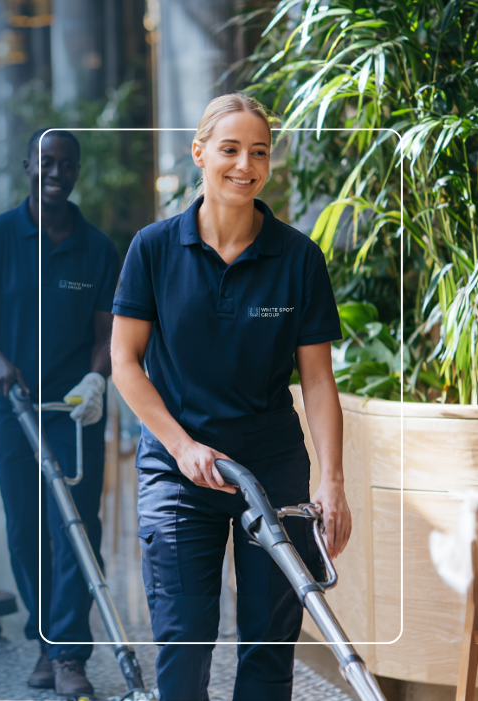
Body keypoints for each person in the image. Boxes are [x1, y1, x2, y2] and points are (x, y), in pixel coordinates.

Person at [109, 94, 352, 701]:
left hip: (271, 470)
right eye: (230, 148)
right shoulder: (154, 249)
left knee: (270, 647)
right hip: (177, 471)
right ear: (199, 153)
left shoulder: (298, 257)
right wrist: (182, 445)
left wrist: (333, 481)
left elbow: (318, 380)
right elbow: (124, 363)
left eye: (259, 152)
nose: (246, 164)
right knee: (184, 638)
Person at [0, 129, 118, 698]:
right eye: (47, 162)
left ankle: (69, 655)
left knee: (76, 528)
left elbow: (107, 331)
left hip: (74, 412)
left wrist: (96, 378)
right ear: (28, 164)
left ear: (77, 172)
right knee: (26, 530)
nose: (57, 173)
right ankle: (48, 640)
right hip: (12, 408)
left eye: (67, 165)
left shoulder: (97, 248)